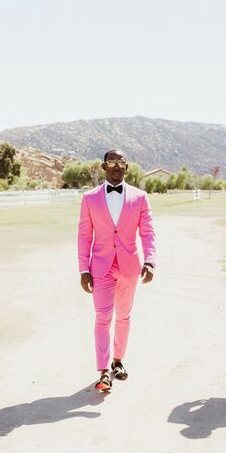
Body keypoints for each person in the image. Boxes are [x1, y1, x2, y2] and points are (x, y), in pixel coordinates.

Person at [78, 149, 157, 391]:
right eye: (111, 162)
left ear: (126, 167)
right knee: (103, 318)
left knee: (124, 316)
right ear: (103, 167)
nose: (116, 166)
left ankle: (118, 361)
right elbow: (84, 236)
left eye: (120, 162)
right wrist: (83, 269)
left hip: (129, 267)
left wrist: (150, 260)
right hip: (100, 268)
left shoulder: (140, 197)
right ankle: (103, 371)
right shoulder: (90, 198)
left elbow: (148, 232)